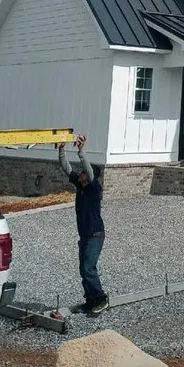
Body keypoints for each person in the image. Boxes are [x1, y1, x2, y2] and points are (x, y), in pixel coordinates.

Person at [57, 134, 108, 315]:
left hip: (95, 234)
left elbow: (89, 171)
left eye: (84, 173)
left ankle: (101, 299)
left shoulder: (94, 189)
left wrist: (81, 151)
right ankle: (90, 301)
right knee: (83, 269)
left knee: (89, 267)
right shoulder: (80, 186)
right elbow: (66, 169)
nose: (81, 174)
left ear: (90, 176)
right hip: (85, 235)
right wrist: (62, 151)